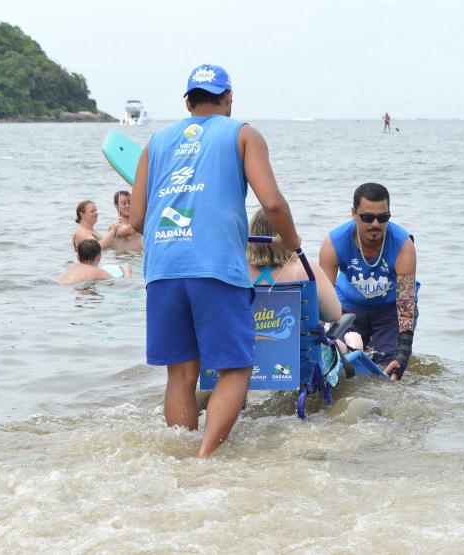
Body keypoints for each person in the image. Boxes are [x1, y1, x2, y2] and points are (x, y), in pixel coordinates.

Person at [130, 63, 301, 457]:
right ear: (228, 99)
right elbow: (271, 202)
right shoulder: (242, 133)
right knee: (236, 368)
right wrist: (290, 239)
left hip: (163, 269)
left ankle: (181, 455)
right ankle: (205, 456)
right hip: (215, 266)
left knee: (181, 372)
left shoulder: (155, 143)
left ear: (188, 101)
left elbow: (137, 219)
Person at [319, 182, 417, 381]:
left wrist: (403, 353)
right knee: (342, 356)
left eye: (383, 218)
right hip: (348, 308)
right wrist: (316, 337)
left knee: (386, 369)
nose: (375, 224)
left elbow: (406, 303)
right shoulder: (334, 242)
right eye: (367, 217)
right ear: (354, 213)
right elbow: (323, 297)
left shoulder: (403, 245)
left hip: (390, 310)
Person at [246, 208, 340, 323]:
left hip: (249, 340)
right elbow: (333, 315)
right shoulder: (306, 268)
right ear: (289, 234)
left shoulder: (237, 269)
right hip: (301, 341)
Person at [59, 239, 132, 284]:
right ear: (99, 257)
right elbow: (124, 284)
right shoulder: (96, 271)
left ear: (78, 257)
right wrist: (126, 270)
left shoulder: (70, 267)